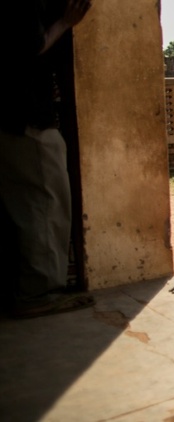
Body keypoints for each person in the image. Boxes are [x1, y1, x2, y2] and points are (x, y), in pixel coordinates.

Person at [0, 0, 95, 318]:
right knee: (45, 205)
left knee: (30, 206)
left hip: (16, 117)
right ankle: (37, 293)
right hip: (24, 117)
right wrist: (66, 23)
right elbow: (28, 47)